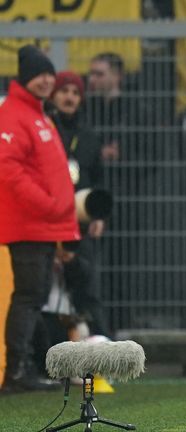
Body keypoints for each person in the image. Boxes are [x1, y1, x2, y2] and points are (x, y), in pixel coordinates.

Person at [0, 45, 79, 393]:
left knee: (34, 295)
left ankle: (25, 367)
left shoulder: (34, 113)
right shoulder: (16, 114)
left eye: (50, 73)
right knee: (29, 296)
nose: (48, 80)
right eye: (41, 73)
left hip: (44, 223)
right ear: (25, 77)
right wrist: (47, 203)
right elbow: (8, 167)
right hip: (31, 223)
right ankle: (17, 371)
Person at [46, 71, 111, 339]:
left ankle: (100, 351)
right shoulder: (44, 129)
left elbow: (98, 178)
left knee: (86, 287)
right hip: (48, 218)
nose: (69, 97)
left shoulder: (88, 135)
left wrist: (99, 216)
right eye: (64, 91)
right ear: (53, 96)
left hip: (79, 221)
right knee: (45, 291)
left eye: (75, 93)